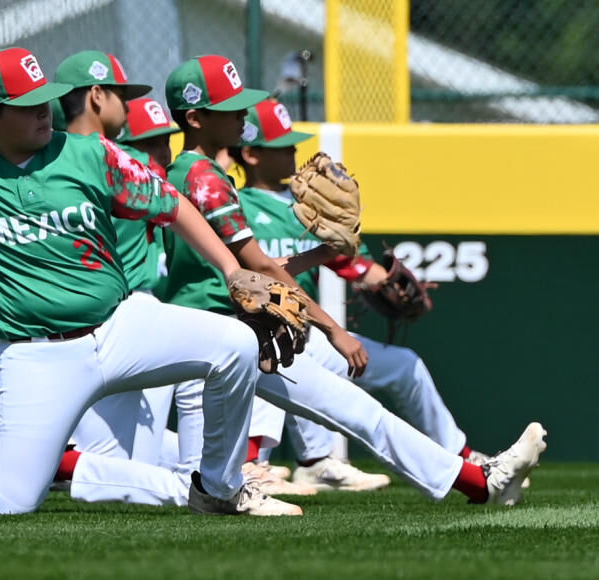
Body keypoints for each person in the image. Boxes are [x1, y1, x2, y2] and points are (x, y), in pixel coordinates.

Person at [0, 47, 300, 517]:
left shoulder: (88, 154)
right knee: (8, 502)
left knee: (234, 344)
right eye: (27, 104)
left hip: (121, 325)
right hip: (37, 354)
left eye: (47, 97)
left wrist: (231, 270)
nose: (44, 109)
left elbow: (172, 203)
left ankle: (220, 489)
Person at [158, 54, 545, 506]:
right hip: (217, 338)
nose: (242, 113)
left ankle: (482, 482)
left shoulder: (194, 175)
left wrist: (322, 254)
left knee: (357, 412)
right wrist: (333, 329)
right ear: (195, 118)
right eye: (230, 107)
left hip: (236, 336)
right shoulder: (204, 179)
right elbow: (259, 270)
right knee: (178, 479)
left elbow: (256, 266)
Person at [229, 99, 506, 491]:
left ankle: (458, 456)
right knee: (265, 347)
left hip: (305, 330)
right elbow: (256, 270)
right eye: (283, 146)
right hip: (263, 329)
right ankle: (256, 464)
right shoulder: (235, 205)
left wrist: (378, 277)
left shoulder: (303, 206)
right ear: (252, 154)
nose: (294, 152)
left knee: (404, 366)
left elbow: (346, 261)